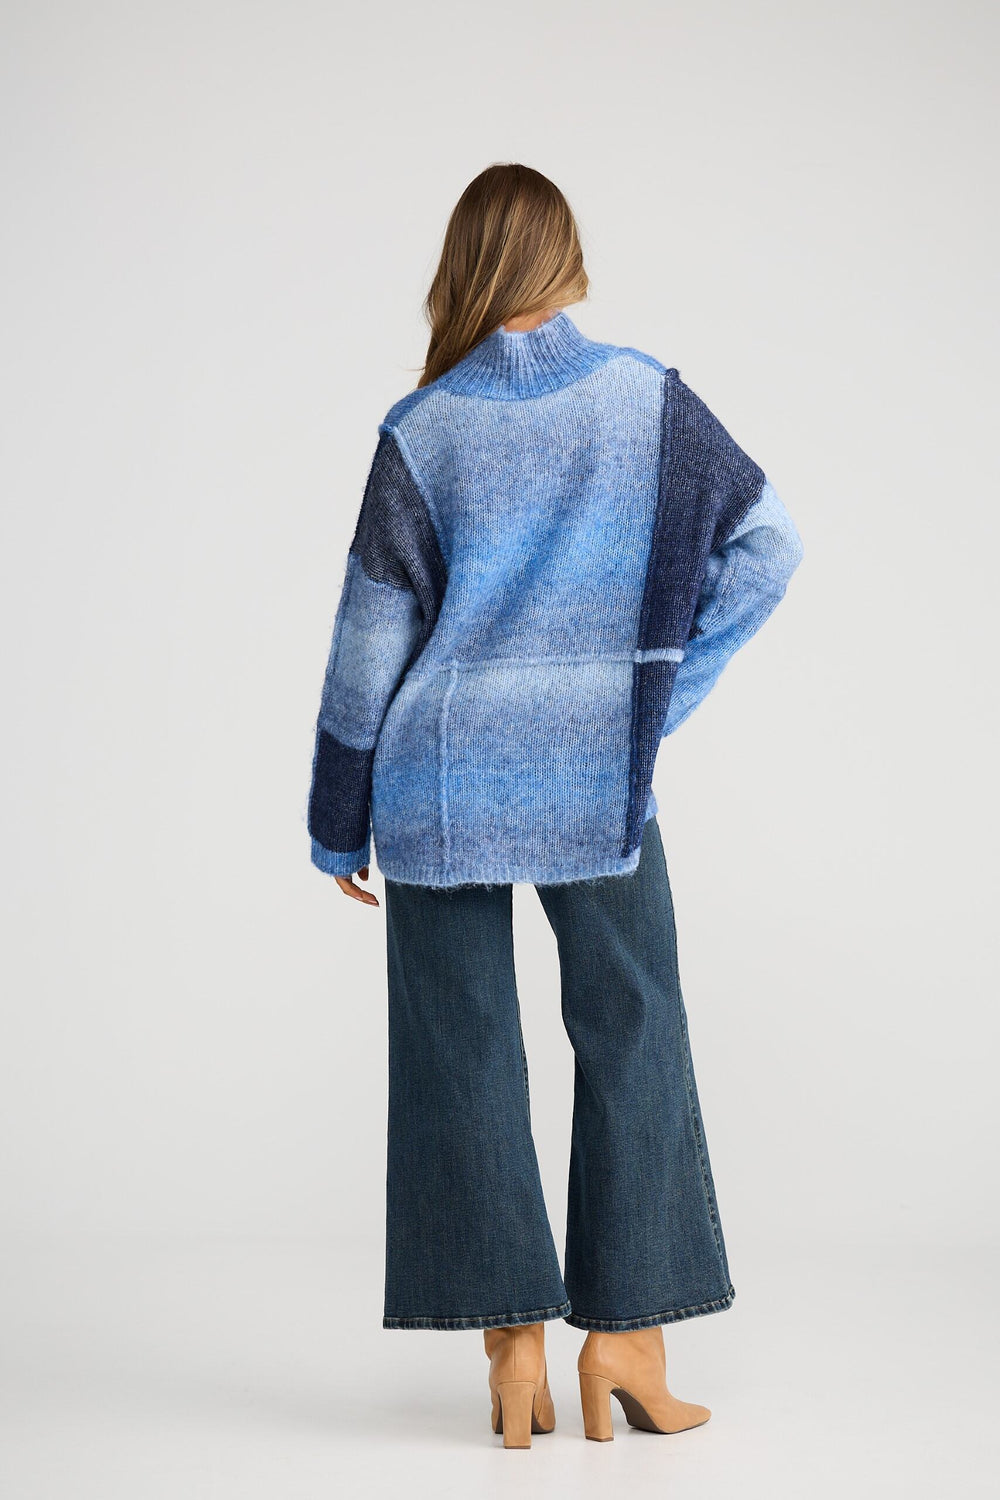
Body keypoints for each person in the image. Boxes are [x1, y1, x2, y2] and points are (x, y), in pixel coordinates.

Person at [305, 162, 804, 1447]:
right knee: (634, 1028)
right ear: (564, 258)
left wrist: (334, 816)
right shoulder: (647, 401)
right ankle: (626, 1345)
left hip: (436, 780)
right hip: (595, 782)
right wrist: (637, 706)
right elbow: (770, 550)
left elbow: (368, 643)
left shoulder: (422, 429)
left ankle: (511, 1353)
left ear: (464, 266)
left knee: (459, 1050)